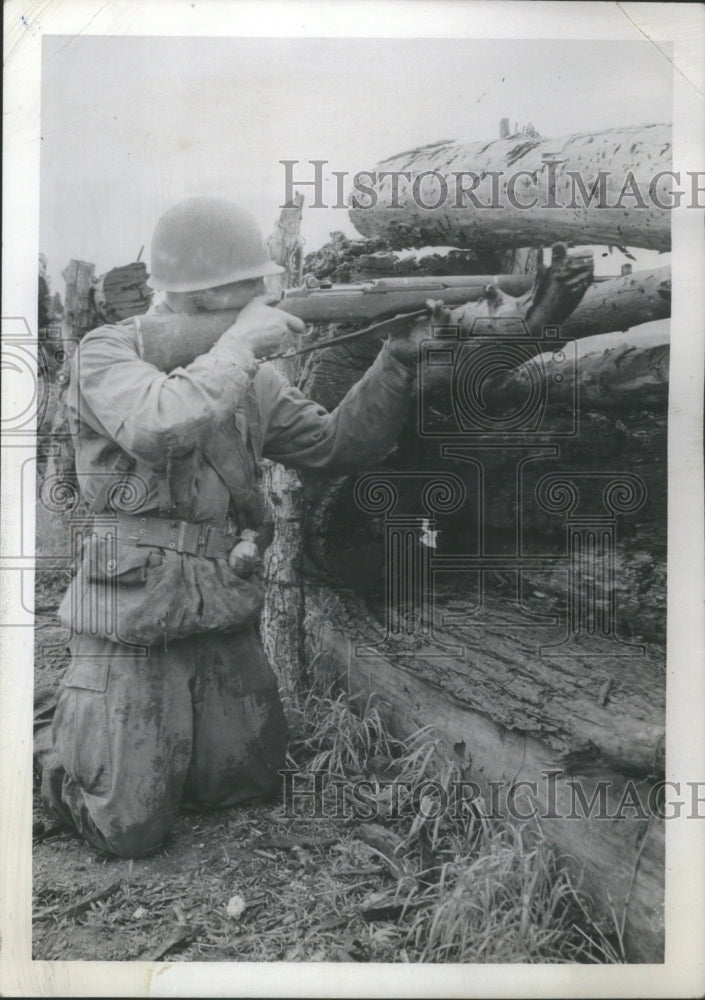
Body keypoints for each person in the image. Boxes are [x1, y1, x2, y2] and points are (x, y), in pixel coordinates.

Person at [41, 197, 421, 858]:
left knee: (243, 785)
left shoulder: (250, 376)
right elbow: (160, 423)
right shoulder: (108, 354)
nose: (257, 310)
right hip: (128, 616)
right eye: (241, 301)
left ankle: (116, 735)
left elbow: (337, 446)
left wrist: (396, 360)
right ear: (191, 299)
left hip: (220, 609)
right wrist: (242, 342)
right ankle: (42, 749)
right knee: (128, 829)